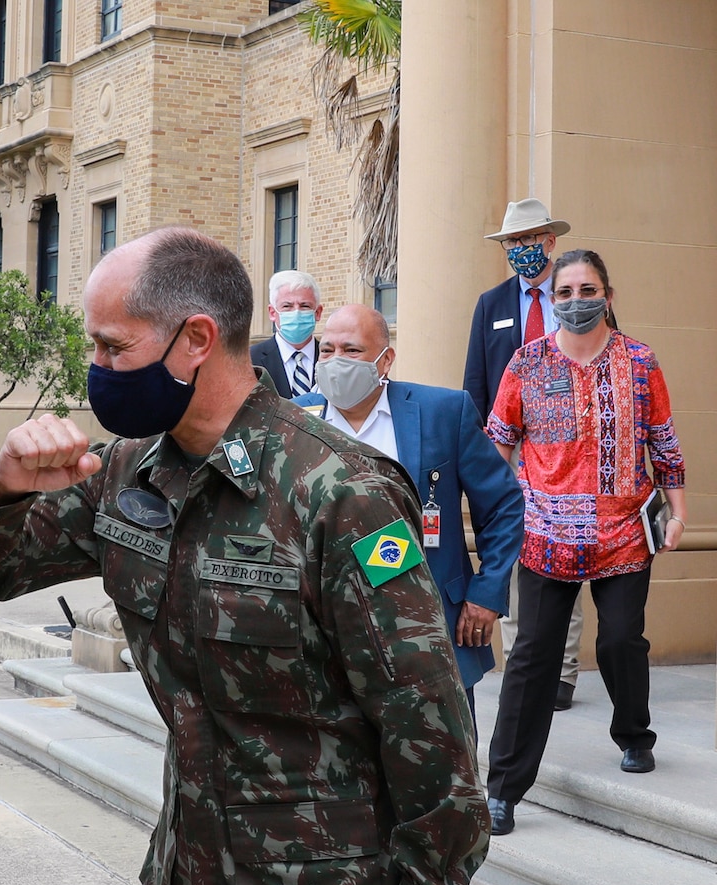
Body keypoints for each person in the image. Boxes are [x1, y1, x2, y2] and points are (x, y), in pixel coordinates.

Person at [0, 227, 490, 885]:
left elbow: (429, 721)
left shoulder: (338, 490)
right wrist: (3, 486)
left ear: (195, 339)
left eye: (112, 346)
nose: (97, 367)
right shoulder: (129, 476)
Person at [483, 249, 686, 837]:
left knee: (623, 640)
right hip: (545, 536)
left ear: (608, 295)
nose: (576, 300)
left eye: (587, 289)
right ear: (554, 299)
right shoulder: (525, 364)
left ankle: (634, 735)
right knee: (531, 657)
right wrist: (498, 516)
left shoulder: (641, 362)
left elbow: (665, 444)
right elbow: (497, 447)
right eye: (565, 292)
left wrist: (678, 515)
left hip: (625, 534)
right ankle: (503, 789)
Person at [294, 304, 523, 720]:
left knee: (444, 761)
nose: (335, 362)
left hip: (430, 620)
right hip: (329, 625)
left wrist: (487, 593)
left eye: (351, 351)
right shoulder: (296, 418)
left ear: (386, 359)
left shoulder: (442, 412)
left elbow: (503, 504)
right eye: (326, 351)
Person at [464, 197, 583, 712]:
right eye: (513, 241)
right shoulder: (490, 304)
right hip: (507, 449)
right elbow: (475, 384)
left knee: (568, 551)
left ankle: (564, 670)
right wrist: (475, 453)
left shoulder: (577, 296)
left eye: (531, 239)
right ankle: (521, 660)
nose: (521, 249)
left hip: (568, 451)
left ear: (550, 243)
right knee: (513, 549)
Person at [250, 269, 322, 397]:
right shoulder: (250, 360)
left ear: (317, 312)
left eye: (304, 306)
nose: (296, 312)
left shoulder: (332, 358)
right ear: (272, 313)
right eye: (287, 306)